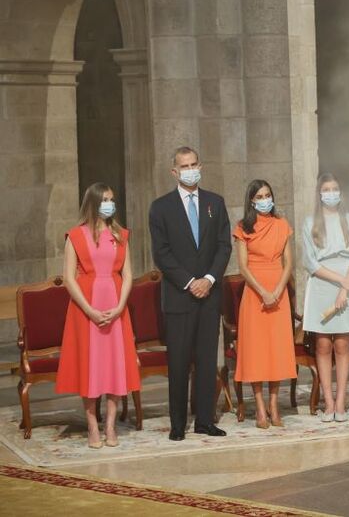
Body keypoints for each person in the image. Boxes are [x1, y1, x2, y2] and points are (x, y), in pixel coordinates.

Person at [148, 146, 232, 441]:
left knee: (208, 360)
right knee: (180, 362)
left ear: (201, 166)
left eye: (194, 164)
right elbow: (162, 253)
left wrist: (208, 279)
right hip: (179, 297)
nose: (190, 169)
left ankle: (205, 420)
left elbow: (224, 246)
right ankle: (177, 423)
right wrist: (189, 282)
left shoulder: (215, 203)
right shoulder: (161, 207)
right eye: (184, 166)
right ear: (174, 172)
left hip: (209, 295)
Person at [56, 183, 141, 449]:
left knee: (115, 367)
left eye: (112, 199)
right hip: (86, 308)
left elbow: (127, 275)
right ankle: (92, 425)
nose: (110, 204)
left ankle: (111, 426)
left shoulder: (121, 235)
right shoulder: (75, 236)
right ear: (93, 203)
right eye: (105, 200)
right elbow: (69, 279)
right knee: (90, 366)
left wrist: (119, 307)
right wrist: (90, 310)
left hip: (116, 307)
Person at [233, 180, 296, 428]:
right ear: (251, 200)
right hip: (255, 295)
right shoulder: (243, 228)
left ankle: (274, 405)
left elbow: (289, 262)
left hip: (278, 293)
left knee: (276, 351)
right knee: (257, 351)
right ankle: (259, 408)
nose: (264, 199)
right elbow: (243, 266)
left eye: (268, 195)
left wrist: (278, 290)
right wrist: (263, 292)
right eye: (259, 196)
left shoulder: (282, 225)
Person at [301, 173, 349, 422]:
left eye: (335, 188)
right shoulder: (310, 223)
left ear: (341, 193)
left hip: (346, 286)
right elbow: (310, 263)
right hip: (321, 285)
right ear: (319, 194)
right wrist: (340, 283)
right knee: (324, 344)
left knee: (342, 344)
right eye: (326, 189)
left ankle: (340, 401)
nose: (331, 193)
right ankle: (327, 402)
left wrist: (345, 289)